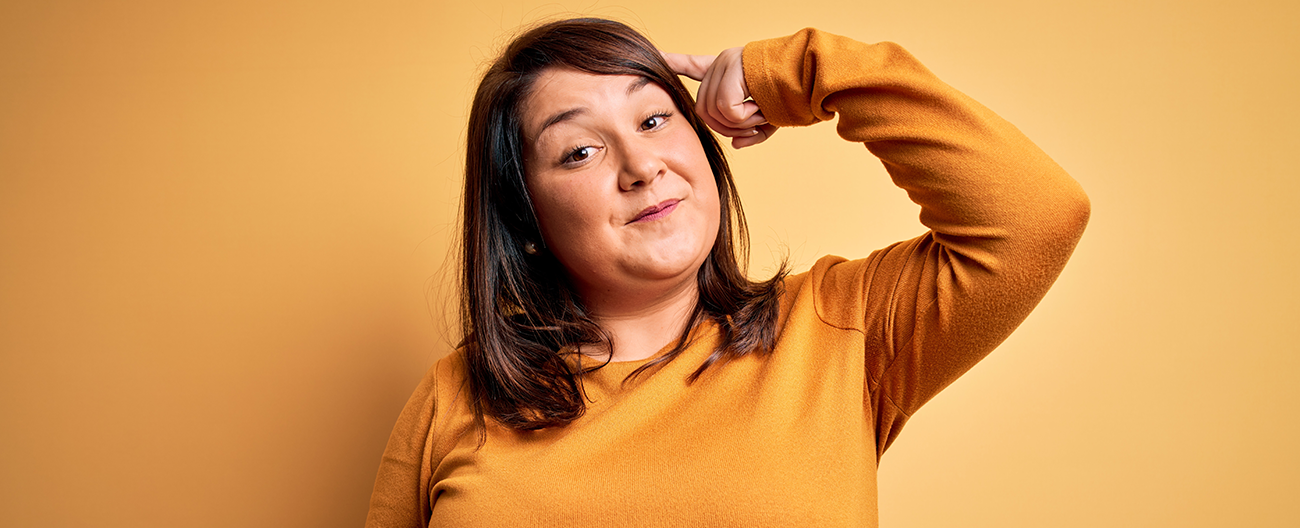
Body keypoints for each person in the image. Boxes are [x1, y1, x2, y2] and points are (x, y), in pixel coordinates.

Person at [366, 17, 1089, 527]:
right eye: (579, 151)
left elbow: (1037, 215)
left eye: (654, 121)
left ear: (703, 149)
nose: (642, 165)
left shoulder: (842, 330)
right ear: (524, 215)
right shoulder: (453, 400)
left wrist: (797, 74)